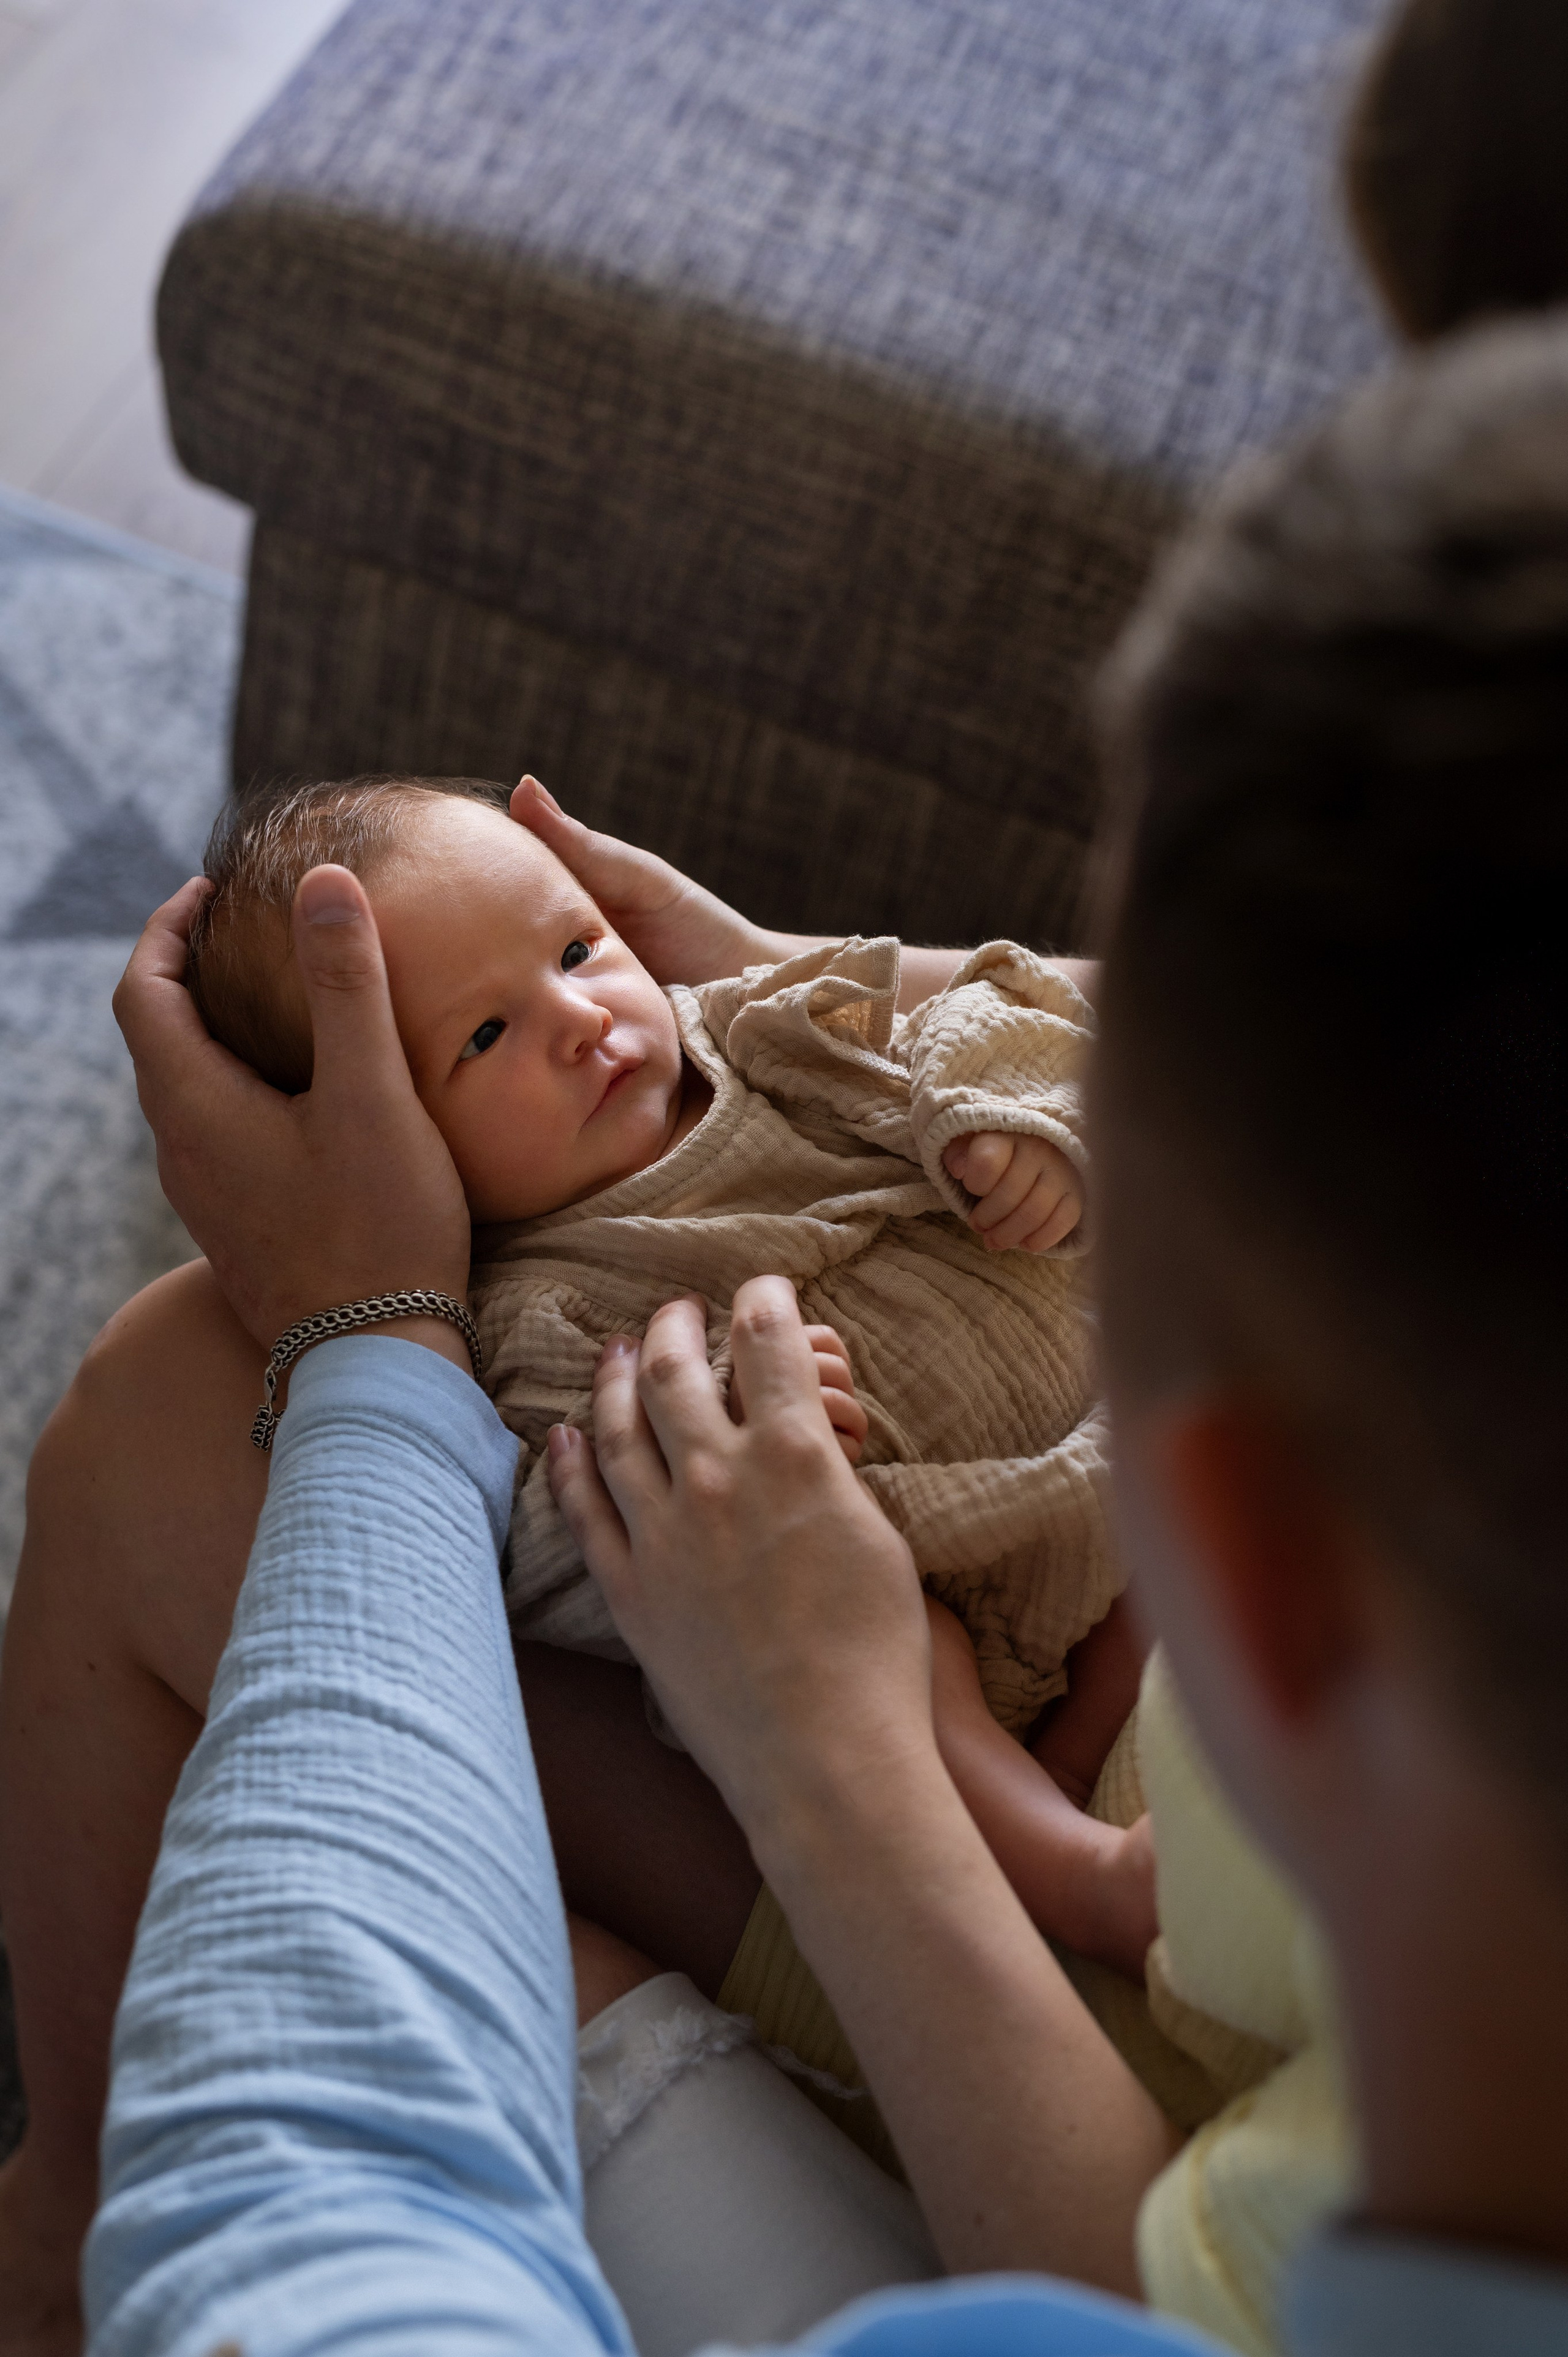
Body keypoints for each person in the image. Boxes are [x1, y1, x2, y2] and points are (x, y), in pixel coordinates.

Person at [84, 303, 1568, 2353]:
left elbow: (1114, 2298)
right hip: (1094, 1729)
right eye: (496, 1031)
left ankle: (59, 2234)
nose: (611, 1011)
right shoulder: (604, 1257)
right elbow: (1001, 1044)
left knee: (187, 1417)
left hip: (1065, 2039)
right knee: (193, 1395)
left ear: (1274, 1541)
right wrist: (818, 992)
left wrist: (825, 1738)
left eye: (584, 952)